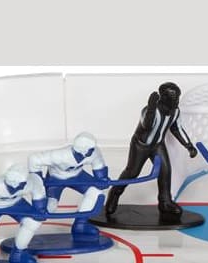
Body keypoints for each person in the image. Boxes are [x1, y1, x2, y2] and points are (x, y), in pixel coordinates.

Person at [104, 82, 198, 221]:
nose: (176, 101)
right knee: (132, 173)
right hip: (141, 145)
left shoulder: (175, 112)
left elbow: (176, 128)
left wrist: (188, 145)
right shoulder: (148, 110)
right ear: (162, 97)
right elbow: (147, 126)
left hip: (157, 145)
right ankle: (114, 195)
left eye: (177, 97)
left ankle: (165, 202)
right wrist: (151, 109)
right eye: (172, 98)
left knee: (165, 171)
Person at [28, 132, 107, 241]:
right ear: (82, 150)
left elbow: (98, 164)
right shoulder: (59, 155)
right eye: (90, 148)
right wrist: (37, 180)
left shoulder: (93, 152)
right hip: (55, 179)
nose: (93, 150)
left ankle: (80, 225)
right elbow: (34, 159)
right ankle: (27, 231)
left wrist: (102, 178)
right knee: (47, 209)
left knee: (96, 192)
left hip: (78, 176)